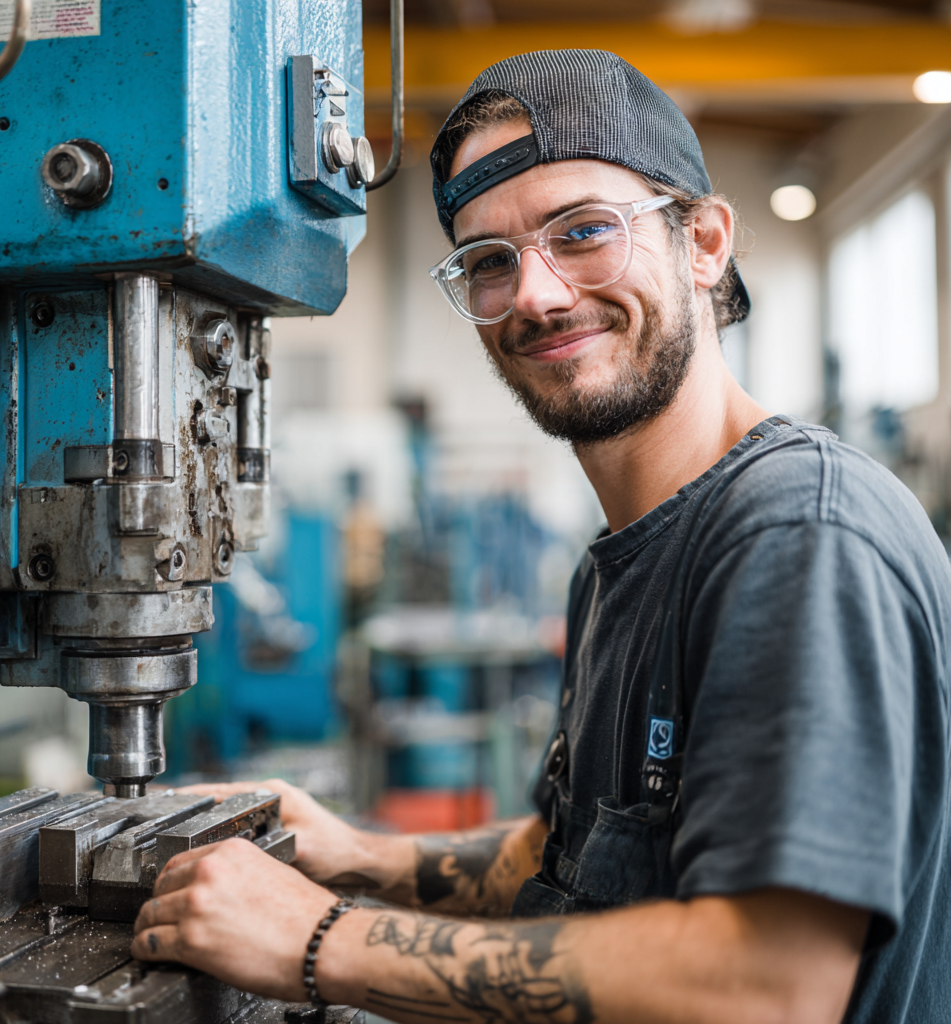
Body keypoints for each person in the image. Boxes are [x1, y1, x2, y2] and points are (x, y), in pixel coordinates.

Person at [132, 50, 951, 1024]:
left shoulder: (795, 532)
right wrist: (353, 851)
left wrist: (321, 940)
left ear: (705, 242)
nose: (537, 295)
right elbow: (567, 857)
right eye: (489, 261)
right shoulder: (613, 568)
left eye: (585, 232)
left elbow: (767, 985)